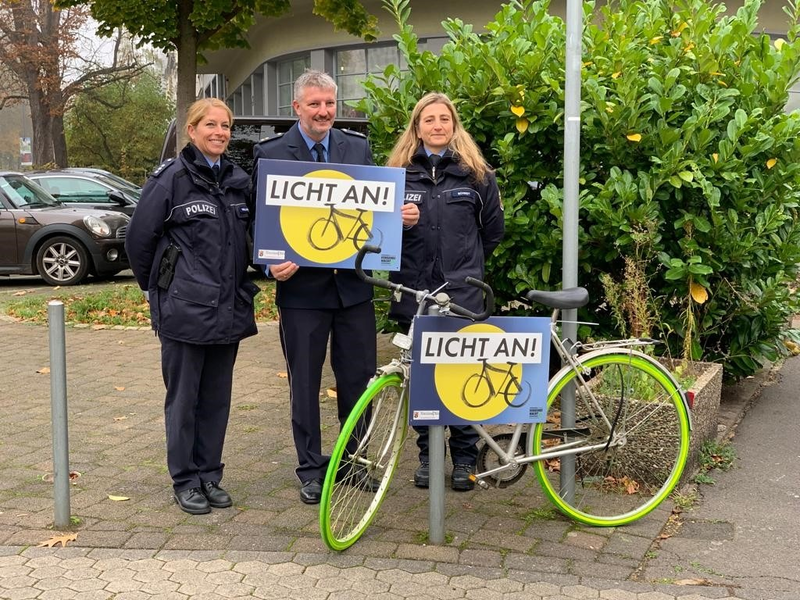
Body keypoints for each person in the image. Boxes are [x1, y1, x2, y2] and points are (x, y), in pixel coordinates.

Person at [252, 70, 419, 504]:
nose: (324, 111)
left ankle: (354, 462)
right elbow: (259, 223)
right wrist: (270, 267)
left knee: (358, 381)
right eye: (314, 104)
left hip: (353, 291)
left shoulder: (356, 147)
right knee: (304, 384)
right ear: (297, 108)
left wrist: (397, 219)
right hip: (301, 293)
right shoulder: (272, 154)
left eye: (329, 103)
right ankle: (310, 468)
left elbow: (373, 205)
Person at [125, 98, 259, 515]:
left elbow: (257, 238)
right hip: (184, 310)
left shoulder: (239, 181)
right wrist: (156, 290)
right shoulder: (172, 179)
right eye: (211, 125)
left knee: (217, 399)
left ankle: (210, 475)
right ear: (193, 130)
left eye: (226, 126)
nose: (220, 133)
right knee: (184, 400)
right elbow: (138, 239)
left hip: (229, 309)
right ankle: (185, 480)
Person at [386, 92, 505, 491]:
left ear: (454, 126)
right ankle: (428, 455)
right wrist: (399, 225)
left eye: (444, 119)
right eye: (429, 120)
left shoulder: (477, 175)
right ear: (416, 128)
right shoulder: (398, 175)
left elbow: (492, 232)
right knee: (422, 378)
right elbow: (378, 237)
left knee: (461, 377)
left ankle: (465, 458)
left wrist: (464, 265)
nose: (437, 126)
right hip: (415, 294)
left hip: (462, 295)